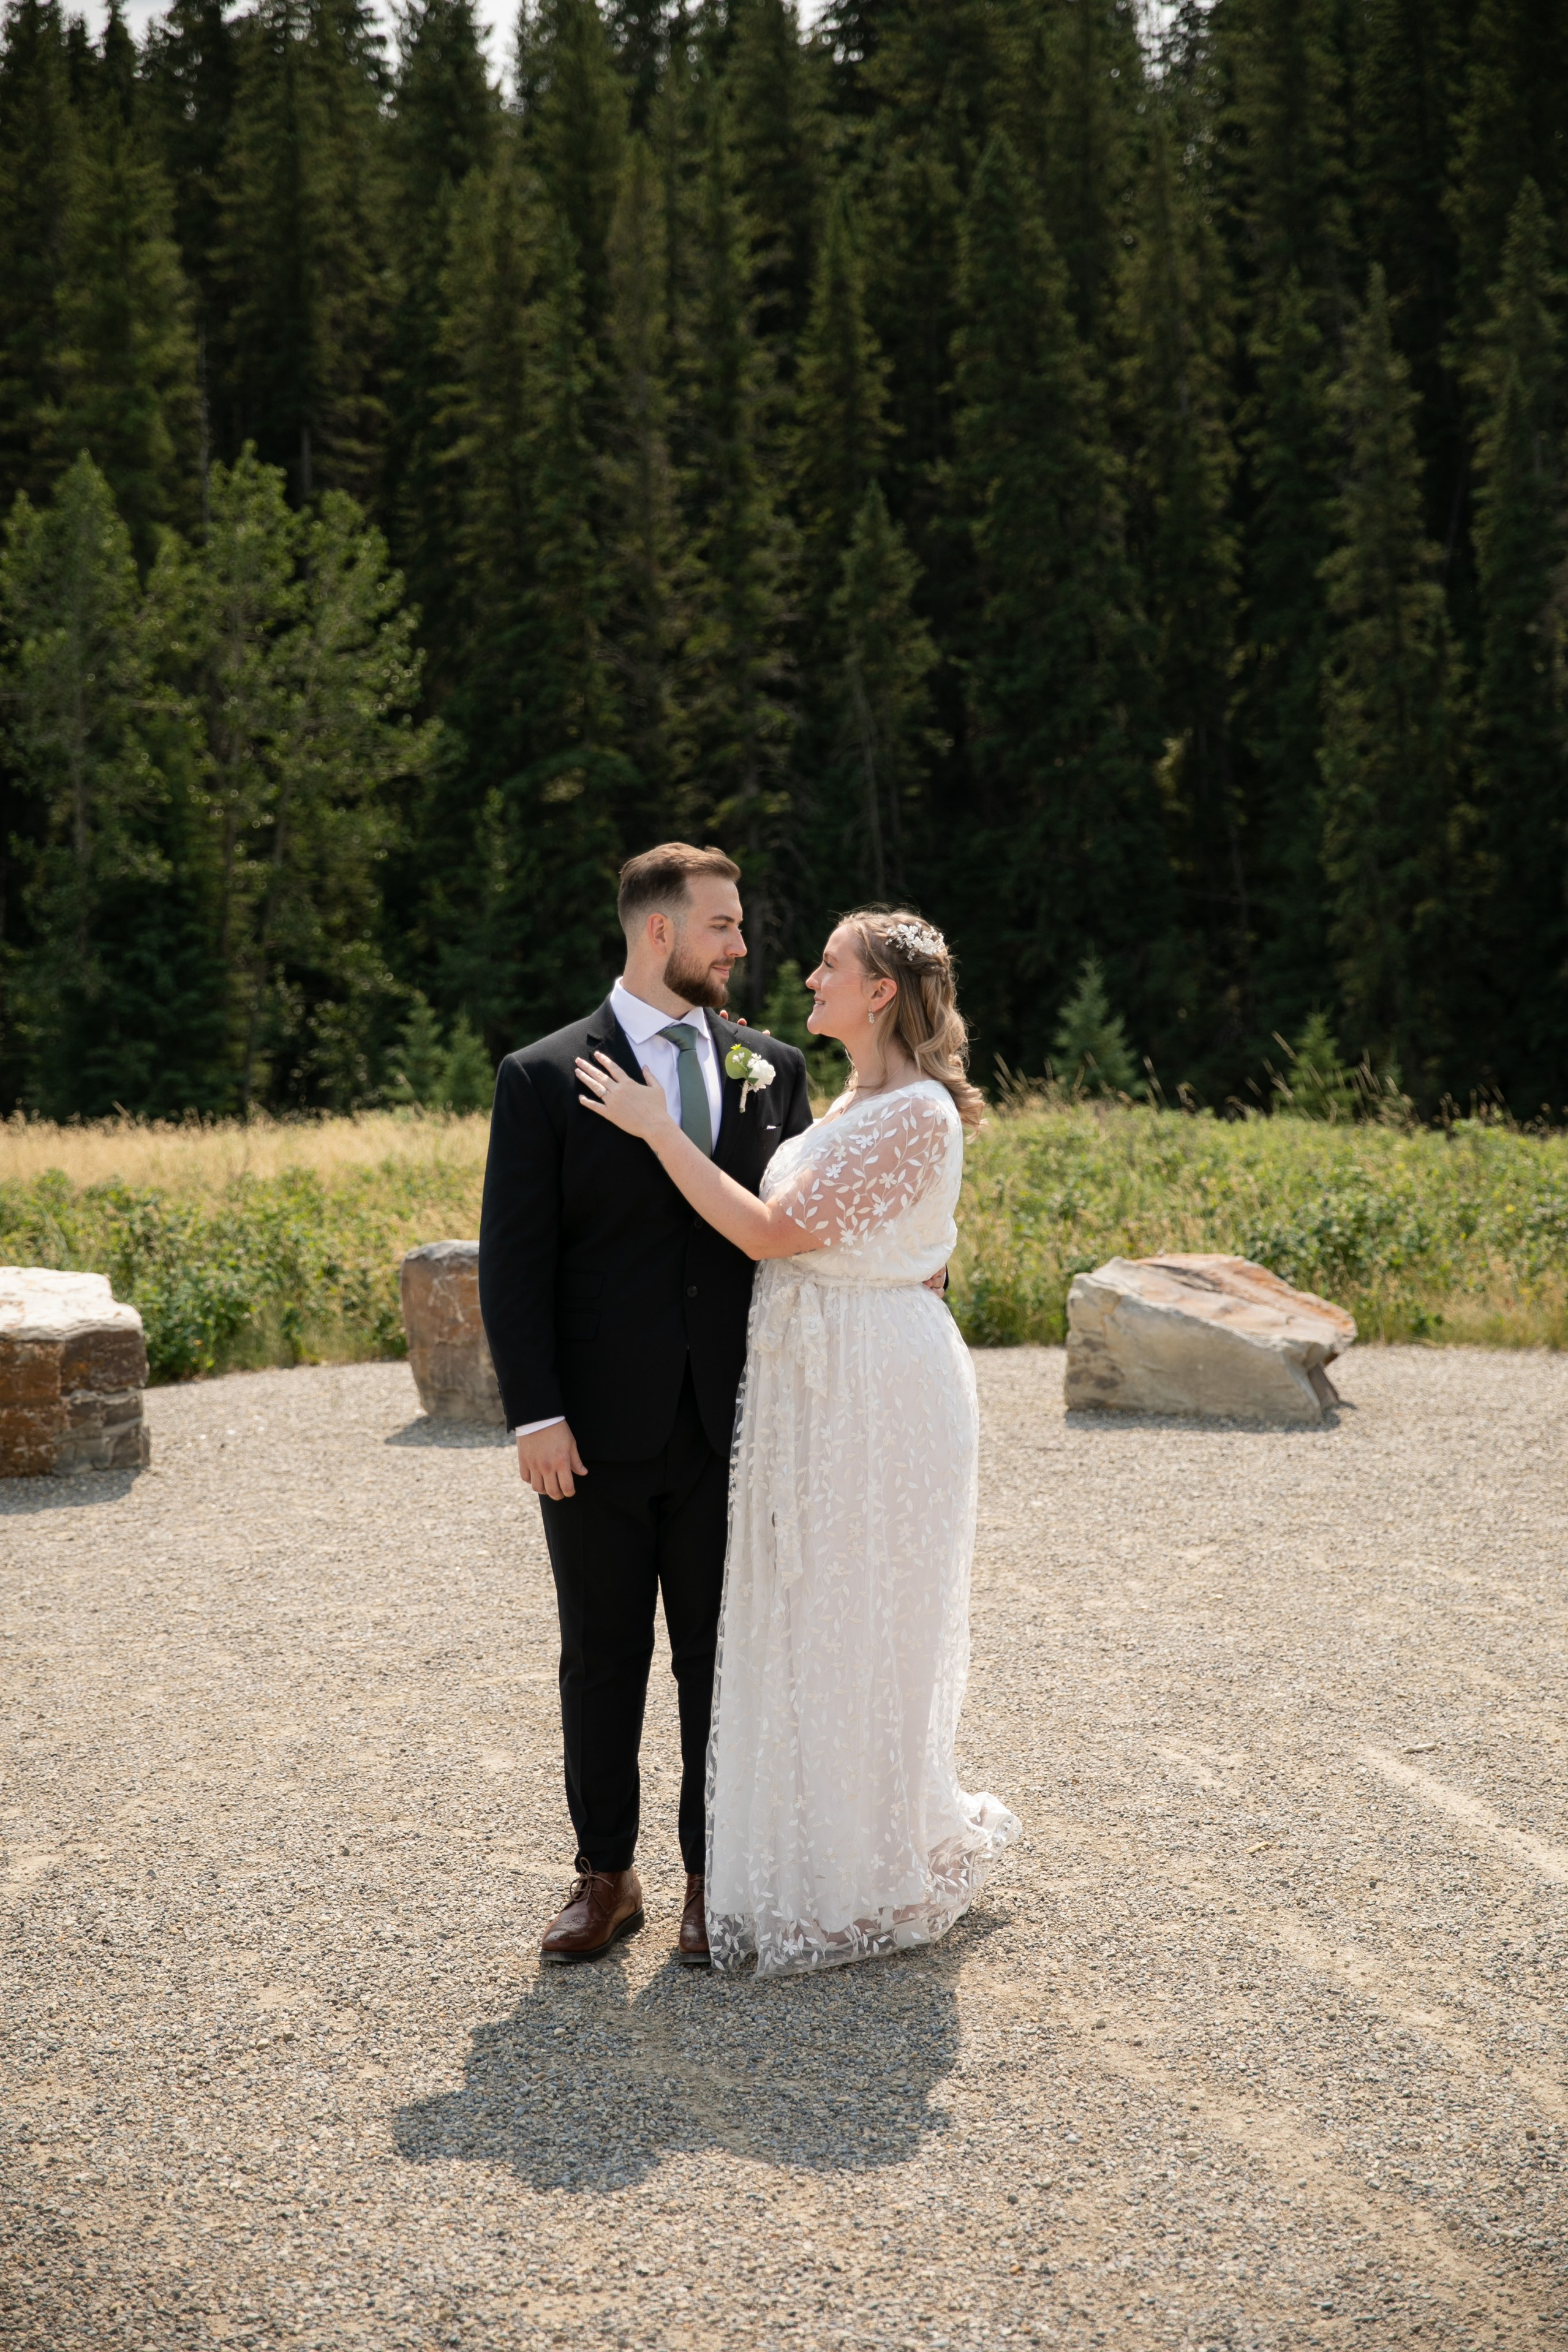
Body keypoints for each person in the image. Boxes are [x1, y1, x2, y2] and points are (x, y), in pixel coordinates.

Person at [576, 907, 1019, 1977]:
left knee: (861, 1615)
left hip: (879, 1388)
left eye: (831, 966)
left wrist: (656, 1127)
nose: (807, 978)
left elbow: (774, 1233)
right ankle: (819, 1856)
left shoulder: (914, 1112)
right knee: (814, 1611)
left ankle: (869, 1875)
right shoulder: (858, 1098)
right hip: (818, 1385)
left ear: (881, 994)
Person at [478, 843, 813, 1965]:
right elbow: (514, 1264)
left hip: (735, 1429)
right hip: (593, 1434)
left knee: (720, 1659)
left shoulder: (772, 1068)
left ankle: (714, 1881)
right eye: (723, 925)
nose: (741, 945)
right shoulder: (541, 1075)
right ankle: (605, 1874)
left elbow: (793, 1239)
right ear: (660, 932)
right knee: (601, 1653)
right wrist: (536, 1416)